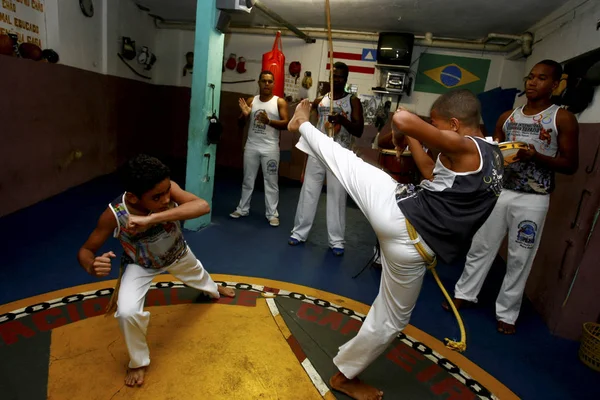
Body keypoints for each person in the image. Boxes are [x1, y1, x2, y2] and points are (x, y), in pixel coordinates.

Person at [287, 88, 503, 400]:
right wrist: (413, 139)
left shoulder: (465, 146)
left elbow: (401, 117)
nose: (437, 135)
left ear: (455, 126)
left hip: (404, 227)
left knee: (346, 163)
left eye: (439, 127)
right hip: (405, 219)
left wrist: (409, 130)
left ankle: (304, 125)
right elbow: (431, 173)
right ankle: (344, 376)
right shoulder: (494, 155)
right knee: (391, 318)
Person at [77, 154, 235, 387]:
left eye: (167, 192)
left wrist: (154, 218)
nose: (166, 199)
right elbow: (86, 250)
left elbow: (202, 206)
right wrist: (91, 265)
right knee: (127, 312)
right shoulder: (115, 214)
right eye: (157, 197)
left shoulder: (166, 188)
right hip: (140, 264)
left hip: (178, 254)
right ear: (133, 197)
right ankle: (139, 361)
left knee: (202, 279)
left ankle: (213, 288)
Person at [446, 60, 579, 335]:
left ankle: (507, 312)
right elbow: (495, 152)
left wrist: (535, 156)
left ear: (555, 85)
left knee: (520, 256)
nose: (532, 82)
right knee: (481, 246)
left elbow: (570, 164)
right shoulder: (507, 116)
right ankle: (465, 293)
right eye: (530, 77)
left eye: (541, 78)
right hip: (500, 191)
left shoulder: (562, 118)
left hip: (534, 198)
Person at [288, 62, 364, 256]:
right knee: (309, 192)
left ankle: (337, 241)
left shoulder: (352, 101)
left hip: (339, 153)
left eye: (340, 77)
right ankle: (299, 233)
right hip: (318, 151)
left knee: (337, 196)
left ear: (346, 79)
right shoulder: (321, 101)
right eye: (334, 76)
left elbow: (359, 130)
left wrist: (342, 120)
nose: (336, 79)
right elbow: (312, 123)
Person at [230, 70, 290, 227]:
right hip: (252, 146)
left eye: (270, 81)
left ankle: (272, 214)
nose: (267, 84)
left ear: (274, 84)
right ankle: (242, 209)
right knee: (247, 179)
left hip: (270, 148)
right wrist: (244, 115)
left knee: (271, 181)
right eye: (264, 81)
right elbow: (240, 124)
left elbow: (286, 124)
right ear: (259, 82)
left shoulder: (279, 102)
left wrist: (268, 121)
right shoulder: (252, 100)